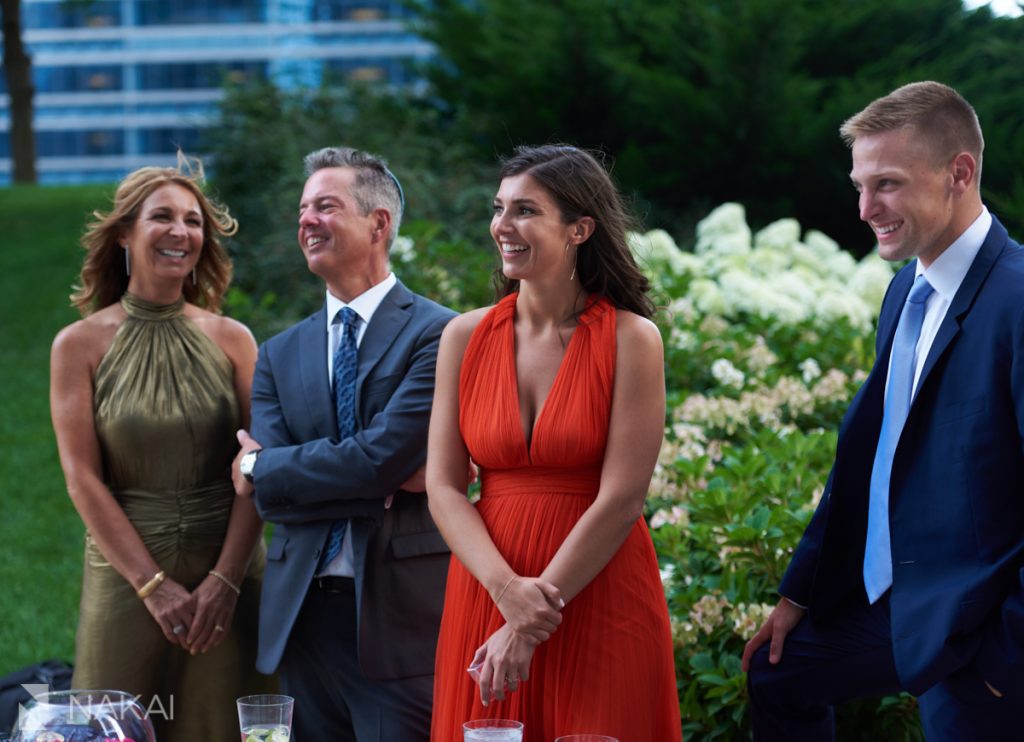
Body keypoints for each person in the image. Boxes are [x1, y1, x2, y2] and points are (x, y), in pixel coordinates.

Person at [742, 81, 1023, 740]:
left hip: (983, 632)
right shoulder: (906, 292)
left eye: (888, 184)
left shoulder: (1018, 301)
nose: (866, 208)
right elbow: (873, 448)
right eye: (859, 186)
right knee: (778, 675)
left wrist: (1007, 662)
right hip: (900, 603)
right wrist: (801, 593)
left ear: (960, 173)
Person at [426, 145, 682, 742]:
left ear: (579, 229)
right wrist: (506, 593)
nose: (502, 226)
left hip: (598, 593)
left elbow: (622, 498)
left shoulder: (631, 339)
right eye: (499, 209)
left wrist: (527, 620)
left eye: (525, 211)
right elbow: (442, 486)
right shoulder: (462, 336)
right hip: (486, 586)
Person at [231, 146, 456, 741]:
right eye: (303, 208)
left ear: (378, 223)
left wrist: (264, 465)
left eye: (325, 206)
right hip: (299, 618)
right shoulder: (278, 353)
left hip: (399, 614)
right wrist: (271, 472)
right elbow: (270, 498)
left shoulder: (442, 333)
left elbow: (383, 459)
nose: (306, 220)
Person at [49, 155, 273, 741]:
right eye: (162, 217)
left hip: (228, 574)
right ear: (124, 233)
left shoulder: (234, 340)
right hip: (126, 579)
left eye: (193, 221)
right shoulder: (77, 346)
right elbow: (82, 480)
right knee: (113, 726)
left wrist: (225, 583)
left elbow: (259, 464)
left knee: (227, 725)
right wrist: (152, 586)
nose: (181, 232)